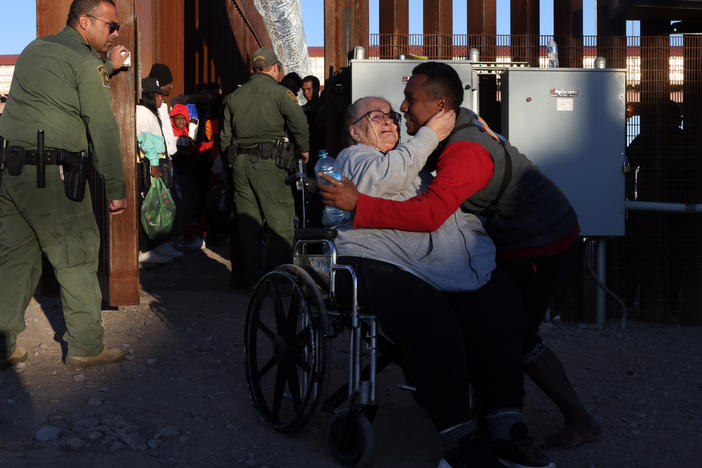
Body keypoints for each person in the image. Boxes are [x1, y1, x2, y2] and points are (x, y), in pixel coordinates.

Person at [320, 61, 600, 450]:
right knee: (489, 327)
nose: (397, 113)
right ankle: (491, 420)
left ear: (439, 107)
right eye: (376, 115)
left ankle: (538, 418)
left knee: (508, 330)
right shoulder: (364, 157)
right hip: (467, 251)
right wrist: (422, 143)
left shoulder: (459, 150)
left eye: (406, 102)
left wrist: (362, 202)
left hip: (539, 242)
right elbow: (401, 189)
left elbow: (433, 212)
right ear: (353, 132)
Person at [333, 96, 552, 468]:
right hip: (376, 259)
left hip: (430, 262)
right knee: (433, 322)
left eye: (390, 115)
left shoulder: (414, 162)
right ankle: (459, 441)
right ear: (355, 131)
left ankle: (506, 425)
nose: (388, 120)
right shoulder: (354, 158)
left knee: (499, 312)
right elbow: (382, 180)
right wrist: (431, 134)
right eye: (375, 116)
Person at [0, 0, 129, 368]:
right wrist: (116, 187)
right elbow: (102, 127)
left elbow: (58, 93)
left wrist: (106, 67)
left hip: (11, 172)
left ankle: (1, 343)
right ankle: (87, 346)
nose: (115, 32)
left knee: (15, 260)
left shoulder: (35, 49)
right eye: (111, 25)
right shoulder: (86, 63)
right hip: (52, 174)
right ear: (85, 22)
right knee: (76, 253)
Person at [219, 47, 309, 288]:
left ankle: (252, 282)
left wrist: (233, 163)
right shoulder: (280, 94)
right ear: (275, 68)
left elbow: (225, 138)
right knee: (280, 222)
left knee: (247, 225)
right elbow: (298, 120)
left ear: (253, 69)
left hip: (240, 165)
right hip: (269, 165)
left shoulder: (234, 97)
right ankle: (280, 282)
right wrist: (304, 148)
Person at [136, 77, 182, 265]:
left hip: (155, 164)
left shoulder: (148, 112)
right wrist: (155, 164)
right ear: (150, 96)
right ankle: (146, 250)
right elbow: (146, 142)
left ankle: (156, 246)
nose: (161, 99)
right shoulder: (142, 113)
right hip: (149, 166)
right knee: (150, 206)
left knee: (156, 205)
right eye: (158, 96)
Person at [148, 63, 177, 158]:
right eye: (169, 83)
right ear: (162, 85)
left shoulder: (163, 105)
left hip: (168, 158)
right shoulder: (151, 107)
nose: (171, 86)